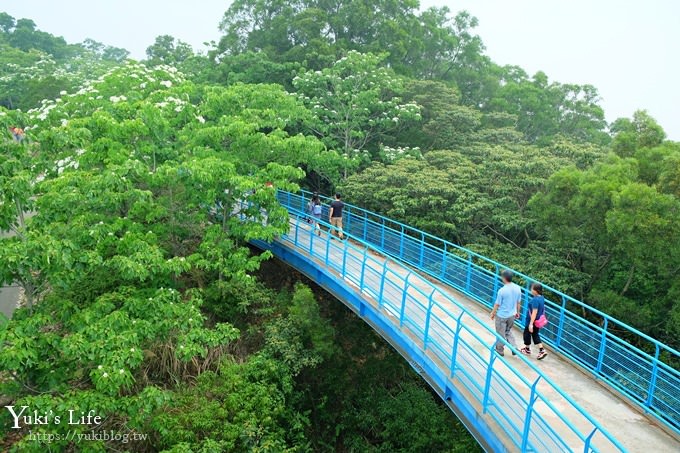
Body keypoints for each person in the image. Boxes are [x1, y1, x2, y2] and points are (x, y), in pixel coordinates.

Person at [490, 270, 522, 356]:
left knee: (500, 333)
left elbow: (497, 304)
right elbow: (518, 302)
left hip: (502, 316)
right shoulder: (518, 288)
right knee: (508, 331)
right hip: (512, 315)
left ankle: (500, 350)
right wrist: (518, 312)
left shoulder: (502, 290)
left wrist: (493, 313)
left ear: (504, 278)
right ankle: (514, 347)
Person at [520, 283, 548, 360]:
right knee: (535, 334)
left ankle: (527, 349)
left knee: (527, 334)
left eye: (532, 289)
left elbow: (534, 312)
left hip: (532, 321)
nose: (531, 290)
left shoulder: (535, 300)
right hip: (538, 321)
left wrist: (531, 324)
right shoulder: (541, 298)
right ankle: (541, 350)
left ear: (536, 291)